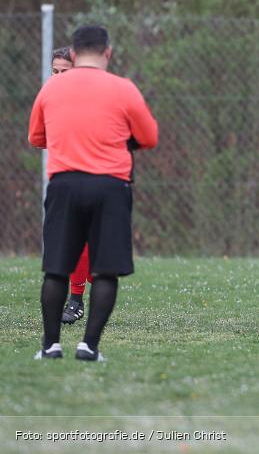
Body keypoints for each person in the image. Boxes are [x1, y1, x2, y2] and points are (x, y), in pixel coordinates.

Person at [29, 25, 158, 360]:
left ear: (73, 54)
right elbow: (149, 137)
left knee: (56, 268)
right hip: (110, 186)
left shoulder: (51, 88)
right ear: (108, 52)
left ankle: (51, 346)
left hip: (65, 183)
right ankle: (89, 347)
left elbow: (36, 137)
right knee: (106, 270)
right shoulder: (123, 88)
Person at [48, 46, 93, 324]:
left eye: (64, 71)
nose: (58, 77)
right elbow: (36, 137)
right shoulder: (48, 99)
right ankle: (76, 300)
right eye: (54, 71)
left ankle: (81, 294)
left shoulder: (93, 98)